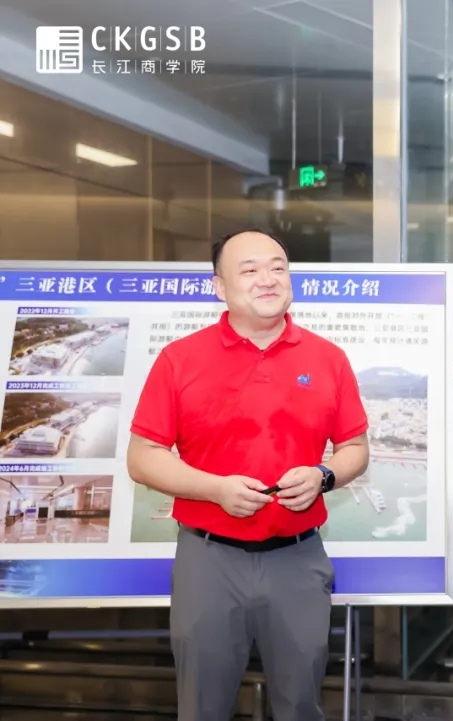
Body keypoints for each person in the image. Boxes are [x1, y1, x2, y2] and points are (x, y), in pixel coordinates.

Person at [126, 229, 370, 721]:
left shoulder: (328, 358)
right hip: (208, 560)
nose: (268, 279)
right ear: (219, 287)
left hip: (298, 559)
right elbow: (143, 456)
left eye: (278, 267)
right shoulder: (180, 359)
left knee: (301, 706)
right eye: (250, 269)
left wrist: (323, 476)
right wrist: (214, 489)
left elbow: (355, 448)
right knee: (202, 708)